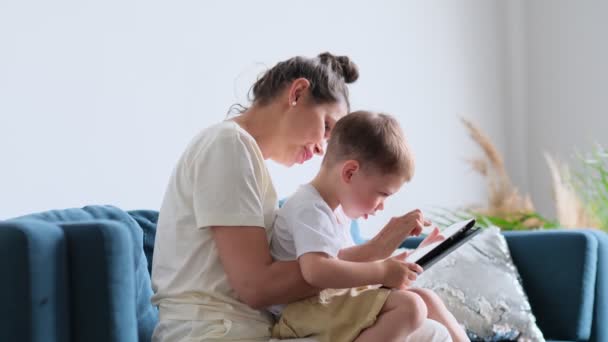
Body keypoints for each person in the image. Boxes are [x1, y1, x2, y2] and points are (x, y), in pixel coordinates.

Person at [150, 52, 453, 341]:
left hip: (245, 328)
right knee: (424, 328)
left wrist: (378, 252)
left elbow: (312, 263)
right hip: (216, 332)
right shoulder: (228, 145)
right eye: (326, 127)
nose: (323, 147)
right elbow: (256, 287)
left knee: (423, 319)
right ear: (297, 94)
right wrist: (375, 265)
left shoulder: (246, 158)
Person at [269, 111, 469, 342]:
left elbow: (344, 261)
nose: (382, 206)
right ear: (350, 172)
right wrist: (383, 270)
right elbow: (317, 271)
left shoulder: (335, 212)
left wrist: (415, 257)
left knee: (426, 298)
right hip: (302, 312)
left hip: (327, 305)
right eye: (382, 194)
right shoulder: (309, 207)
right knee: (411, 306)